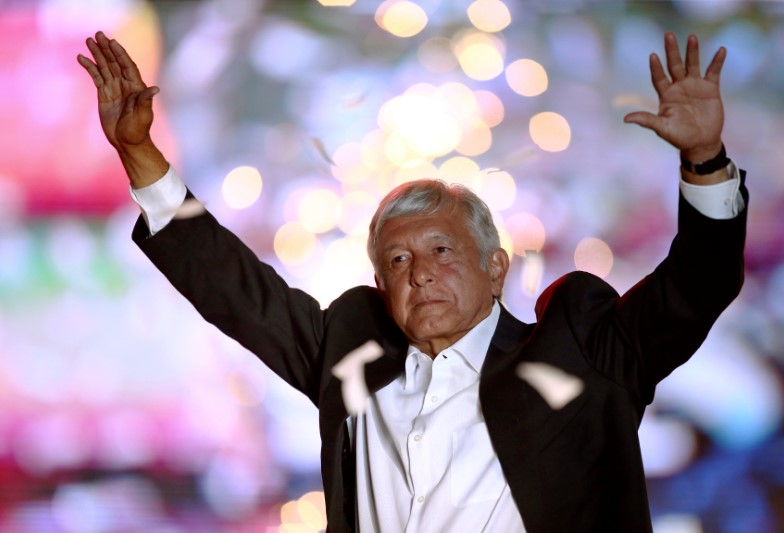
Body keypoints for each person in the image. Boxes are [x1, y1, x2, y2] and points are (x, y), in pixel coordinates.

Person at [78, 30, 747, 532]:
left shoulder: (581, 351)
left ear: (496, 267)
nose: (420, 270)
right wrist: (140, 153)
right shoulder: (351, 356)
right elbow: (236, 290)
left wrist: (703, 159)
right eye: (397, 260)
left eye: (440, 249)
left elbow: (698, 285)